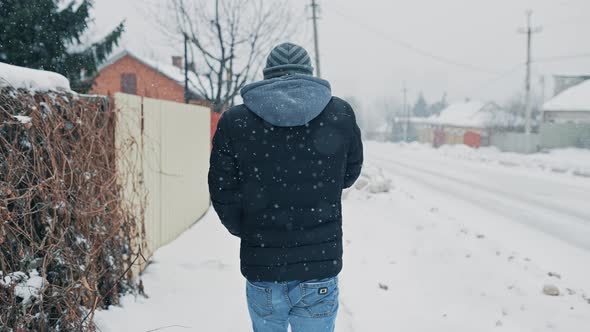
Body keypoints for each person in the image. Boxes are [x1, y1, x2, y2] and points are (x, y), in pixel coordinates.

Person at [208, 42, 363, 332]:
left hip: (263, 266)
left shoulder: (236, 121)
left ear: (268, 75)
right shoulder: (340, 114)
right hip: (319, 269)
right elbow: (350, 174)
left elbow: (221, 189)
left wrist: (248, 228)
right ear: (309, 73)